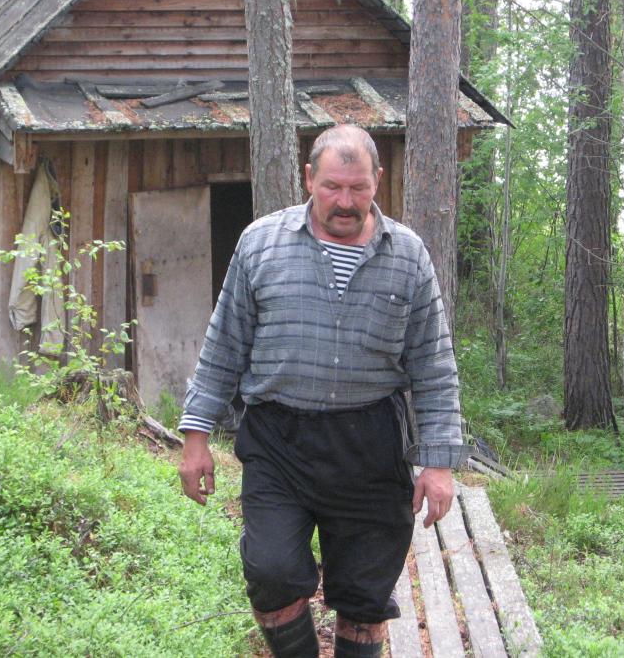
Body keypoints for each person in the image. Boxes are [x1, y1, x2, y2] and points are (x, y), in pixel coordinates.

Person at [178, 125, 466, 658]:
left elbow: (433, 363)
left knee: (365, 593)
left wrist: (439, 462)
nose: (345, 201)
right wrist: (196, 436)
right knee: (272, 571)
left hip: (371, 443)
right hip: (278, 442)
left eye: (359, 188)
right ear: (309, 178)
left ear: (378, 180)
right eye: (333, 186)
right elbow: (224, 343)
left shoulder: (407, 255)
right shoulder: (261, 243)